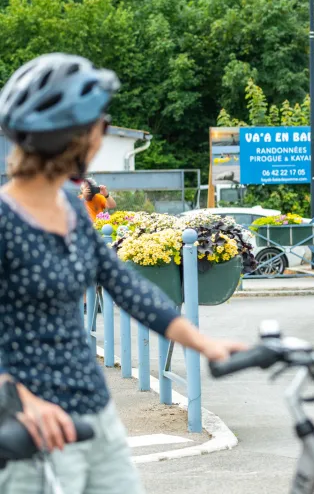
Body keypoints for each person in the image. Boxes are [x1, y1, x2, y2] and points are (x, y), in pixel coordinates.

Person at [0, 53, 248, 493]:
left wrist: (202, 342)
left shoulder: (71, 210)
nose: (102, 136)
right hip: (33, 426)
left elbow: (124, 285)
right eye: (101, 125)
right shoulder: (5, 218)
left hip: (94, 411)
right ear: (72, 136)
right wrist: (21, 401)